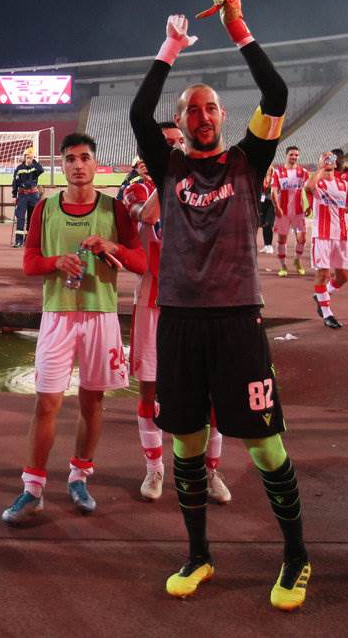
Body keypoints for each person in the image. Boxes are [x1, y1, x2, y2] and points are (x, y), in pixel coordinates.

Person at [128, 0, 312, 611]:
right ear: (178, 124)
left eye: (211, 108)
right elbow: (134, 113)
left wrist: (237, 23)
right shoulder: (169, 165)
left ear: (224, 117)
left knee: (265, 443)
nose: (202, 116)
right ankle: (199, 554)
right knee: (183, 441)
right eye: (191, 110)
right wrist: (169, 49)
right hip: (178, 318)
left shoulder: (248, 161)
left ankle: (295, 557)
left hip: (236, 319)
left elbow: (278, 90)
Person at [1, 132, 144, 522]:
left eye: (84, 158)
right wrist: (56, 263)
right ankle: (32, 488)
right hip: (58, 315)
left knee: (92, 401)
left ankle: (80, 476)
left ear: (95, 164)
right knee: (46, 401)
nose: (78, 165)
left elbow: (141, 262)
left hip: (101, 315)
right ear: (60, 166)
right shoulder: (44, 209)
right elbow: (29, 262)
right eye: (70, 159)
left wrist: (112, 248)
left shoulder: (114, 210)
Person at [121, 158, 231, 504]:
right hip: (154, 300)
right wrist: (168, 176)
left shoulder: (208, 189)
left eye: (175, 145)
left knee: (211, 393)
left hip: (202, 302)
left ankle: (209, 470)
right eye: (163, 146)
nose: (171, 152)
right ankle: (154, 468)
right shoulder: (135, 190)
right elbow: (149, 216)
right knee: (150, 392)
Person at [307, 151, 348, 330]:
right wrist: (321, 168)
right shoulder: (317, 181)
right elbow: (309, 187)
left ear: (336, 163)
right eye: (324, 158)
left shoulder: (343, 184)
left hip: (341, 235)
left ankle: (323, 294)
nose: (329, 161)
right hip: (322, 235)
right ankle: (327, 313)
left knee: (343, 276)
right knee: (323, 274)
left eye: (331, 159)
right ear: (320, 162)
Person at [269, 146, 310, 276]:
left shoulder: (303, 172)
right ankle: (283, 266)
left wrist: (310, 205)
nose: (294, 157)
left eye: (296, 155)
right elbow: (273, 192)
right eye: (292, 154)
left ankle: (297, 261)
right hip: (283, 212)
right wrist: (277, 207)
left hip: (298, 211)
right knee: (282, 239)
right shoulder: (278, 172)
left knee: (302, 239)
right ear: (286, 155)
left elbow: (310, 189)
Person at [11, 147, 44, 247]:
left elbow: (41, 169)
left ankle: (28, 240)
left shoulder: (35, 167)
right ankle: (18, 241)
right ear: (24, 157)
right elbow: (15, 182)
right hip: (22, 195)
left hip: (33, 195)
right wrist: (14, 194)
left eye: (31, 157)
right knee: (20, 217)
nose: (29, 159)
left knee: (32, 217)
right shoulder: (19, 169)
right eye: (28, 157)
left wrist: (34, 161)